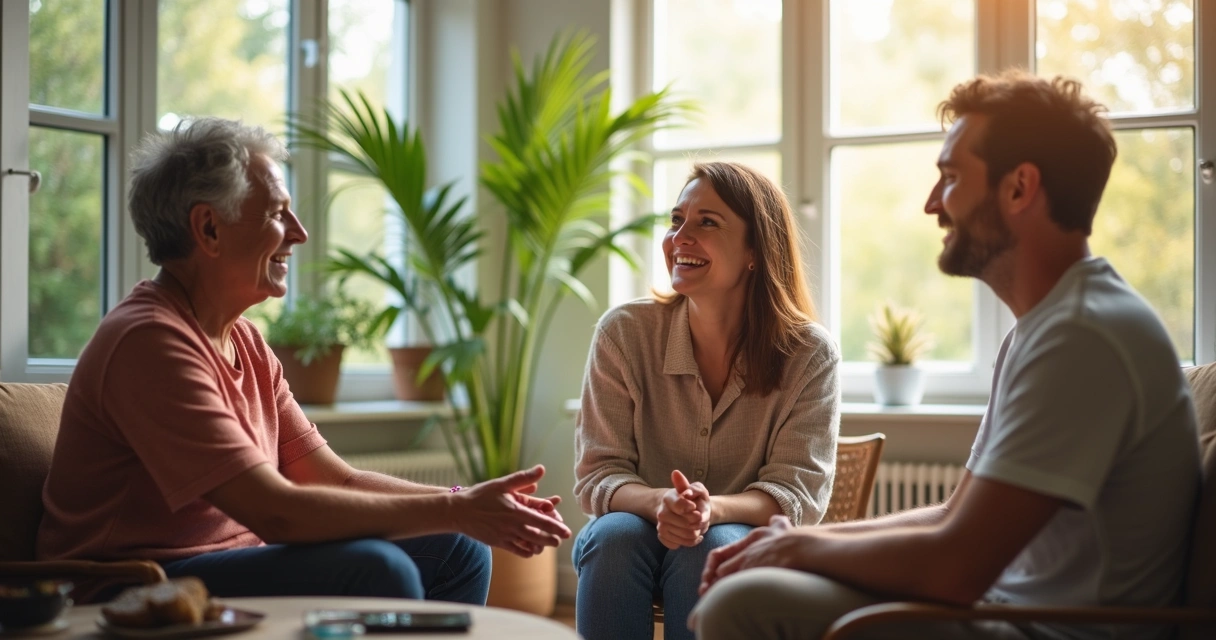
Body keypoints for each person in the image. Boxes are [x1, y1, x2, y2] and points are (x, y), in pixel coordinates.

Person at [690, 71, 1202, 640]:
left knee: (745, 604)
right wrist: (794, 541)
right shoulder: (1045, 328)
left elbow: (955, 568)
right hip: (1005, 609)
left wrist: (796, 551)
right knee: (756, 585)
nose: (933, 203)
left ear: (1019, 188)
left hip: (1048, 631)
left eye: (951, 177)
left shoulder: (1083, 336)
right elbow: (951, 515)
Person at [37, 117, 571, 603]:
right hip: (132, 584)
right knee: (376, 569)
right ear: (209, 229)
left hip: (227, 566)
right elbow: (276, 511)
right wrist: (458, 508)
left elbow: (333, 480)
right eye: (277, 213)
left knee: (457, 547)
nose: (299, 232)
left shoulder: (245, 341)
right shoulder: (149, 342)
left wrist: (465, 502)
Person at [573, 161, 840, 640]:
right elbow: (599, 472)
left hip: (738, 536)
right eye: (677, 220)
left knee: (711, 546)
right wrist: (661, 502)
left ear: (756, 250)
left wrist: (710, 510)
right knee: (614, 536)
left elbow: (795, 493)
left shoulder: (809, 354)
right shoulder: (624, 334)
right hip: (633, 533)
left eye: (707, 223)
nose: (680, 238)